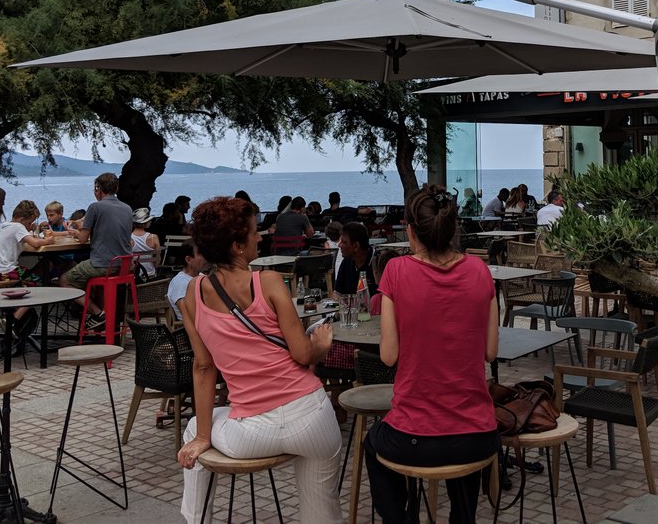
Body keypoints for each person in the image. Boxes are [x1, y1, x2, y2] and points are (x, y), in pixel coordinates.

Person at [177, 197, 342, 524]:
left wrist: (203, 437)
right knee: (322, 515)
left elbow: (204, 367)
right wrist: (321, 345)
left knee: (196, 426)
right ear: (238, 246)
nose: (261, 237)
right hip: (312, 418)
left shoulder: (193, 294)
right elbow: (302, 353)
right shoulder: (268, 281)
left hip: (250, 433)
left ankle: (196, 520)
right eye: (254, 233)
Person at [364, 186, 499, 523]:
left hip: (415, 435)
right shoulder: (480, 271)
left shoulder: (396, 271)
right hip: (477, 433)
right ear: (453, 229)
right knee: (461, 459)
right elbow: (490, 352)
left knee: (372, 443)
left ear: (411, 231)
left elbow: (388, 356)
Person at [62, 172, 133, 327]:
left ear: (98, 189)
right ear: (116, 188)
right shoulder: (127, 208)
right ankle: (101, 320)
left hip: (104, 264)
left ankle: (98, 314)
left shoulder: (95, 207)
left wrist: (76, 233)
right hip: (125, 265)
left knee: (65, 281)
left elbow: (82, 239)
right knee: (95, 283)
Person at [0, 199, 55, 337]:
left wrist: (29, 229)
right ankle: (14, 319)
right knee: (38, 284)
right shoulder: (18, 227)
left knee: (27, 278)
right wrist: (48, 240)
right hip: (5, 271)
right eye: (29, 223)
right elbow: (35, 243)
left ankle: (18, 312)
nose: (30, 226)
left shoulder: (5, 226)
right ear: (22, 219)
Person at [334, 221, 378, 298]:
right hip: (350, 305)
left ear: (356, 246)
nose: (339, 245)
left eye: (344, 242)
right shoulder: (347, 261)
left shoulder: (377, 262)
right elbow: (337, 293)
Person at [167, 242, 207, 320]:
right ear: (188, 259)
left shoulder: (201, 276)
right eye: (200, 254)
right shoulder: (180, 282)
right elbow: (187, 313)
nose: (205, 258)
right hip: (192, 325)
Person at [131, 208, 160, 279]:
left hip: (135, 275)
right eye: (149, 220)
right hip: (150, 274)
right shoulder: (154, 237)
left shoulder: (129, 238)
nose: (150, 222)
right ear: (144, 223)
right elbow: (157, 259)